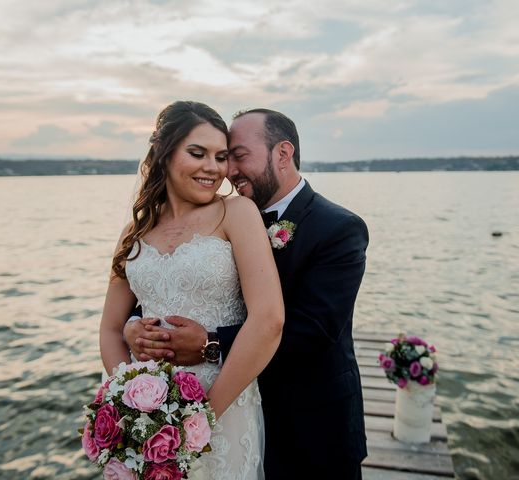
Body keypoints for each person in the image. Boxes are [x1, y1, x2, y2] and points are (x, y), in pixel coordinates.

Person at [126, 108, 369, 478]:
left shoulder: (339, 228)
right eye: (224, 157)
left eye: (236, 156)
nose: (228, 171)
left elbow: (314, 329)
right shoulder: (222, 218)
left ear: (282, 155)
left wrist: (210, 343)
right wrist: (132, 327)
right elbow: (164, 289)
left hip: (310, 424)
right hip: (236, 410)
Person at [99, 101, 284, 480]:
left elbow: (269, 321)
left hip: (223, 405)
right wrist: (133, 408)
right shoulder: (133, 234)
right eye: (197, 153)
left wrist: (198, 423)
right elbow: (110, 328)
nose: (213, 168)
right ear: (164, 155)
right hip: (150, 419)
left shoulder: (237, 212)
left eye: (220, 157)